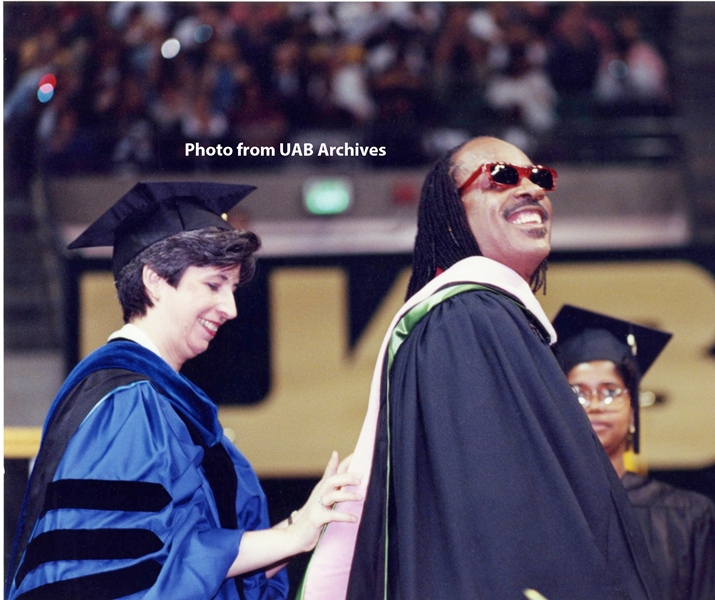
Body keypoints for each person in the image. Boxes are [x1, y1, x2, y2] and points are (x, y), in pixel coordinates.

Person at [300, 136, 661, 600]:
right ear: (453, 215)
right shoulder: (467, 320)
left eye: (541, 177)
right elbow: (492, 521)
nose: (531, 189)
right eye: (502, 176)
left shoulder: (489, 319)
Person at [6, 181, 362, 600]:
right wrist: (292, 536)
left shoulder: (166, 403)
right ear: (155, 281)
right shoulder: (123, 405)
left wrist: (305, 522)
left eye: (232, 289)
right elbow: (120, 575)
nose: (230, 309)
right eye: (213, 285)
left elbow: (198, 563)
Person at [554, 304, 715, 600]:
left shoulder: (687, 515)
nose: (595, 405)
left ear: (633, 411)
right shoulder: (543, 512)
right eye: (577, 393)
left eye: (611, 391)